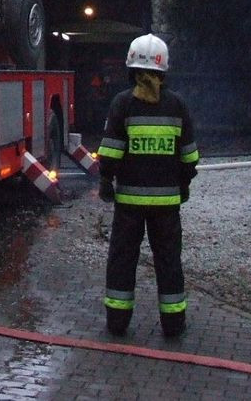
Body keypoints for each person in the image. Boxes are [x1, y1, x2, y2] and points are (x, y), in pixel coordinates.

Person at [97, 33, 199, 338]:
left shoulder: (122, 104)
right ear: (163, 70)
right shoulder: (178, 105)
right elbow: (189, 155)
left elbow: (111, 151)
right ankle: (173, 324)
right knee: (169, 262)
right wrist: (183, 184)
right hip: (167, 206)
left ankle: (117, 323)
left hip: (128, 203)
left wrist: (106, 180)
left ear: (131, 69)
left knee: (122, 260)